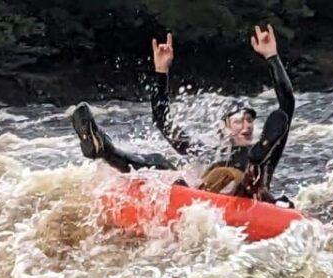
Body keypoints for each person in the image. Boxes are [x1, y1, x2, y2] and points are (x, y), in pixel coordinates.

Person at [70, 25, 295, 206]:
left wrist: (272, 57)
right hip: (209, 204)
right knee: (158, 163)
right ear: (224, 128)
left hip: (250, 196)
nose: (246, 125)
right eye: (238, 121)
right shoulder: (208, 152)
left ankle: (253, 167)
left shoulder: (266, 158)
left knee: (256, 158)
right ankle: (105, 149)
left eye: (250, 120)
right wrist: (161, 72)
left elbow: (287, 103)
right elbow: (163, 122)